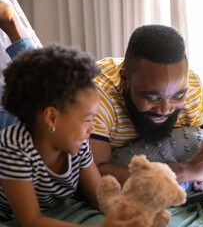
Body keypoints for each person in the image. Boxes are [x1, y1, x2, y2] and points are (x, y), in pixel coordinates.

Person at [0, 0, 203, 191]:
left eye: (176, 96)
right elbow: (95, 175)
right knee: (35, 88)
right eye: (152, 96)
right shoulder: (95, 94)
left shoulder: (191, 87)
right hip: (22, 115)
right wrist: (187, 170)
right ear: (125, 80)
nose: (166, 108)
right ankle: (11, 25)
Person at [0, 44, 147, 226]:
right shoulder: (14, 147)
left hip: (55, 212)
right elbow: (31, 221)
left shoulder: (79, 144)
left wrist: (130, 213)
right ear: (51, 117)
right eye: (87, 120)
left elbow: (98, 197)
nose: (91, 129)